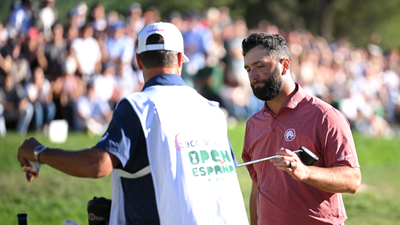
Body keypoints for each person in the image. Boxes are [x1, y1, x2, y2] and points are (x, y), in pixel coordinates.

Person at [17, 22, 249, 225]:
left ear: (138, 60)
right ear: (180, 59)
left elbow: (98, 165)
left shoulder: (138, 105)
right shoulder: (211, 109)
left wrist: (40, 152)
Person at [240, 32, 361, 225]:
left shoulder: (325, 116)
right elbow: (258, 186)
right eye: (248, 69)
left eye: (260, 66)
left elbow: (352, 180)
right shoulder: (253, 124)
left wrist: (305, 172)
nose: (253, 75)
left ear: (285, 65)